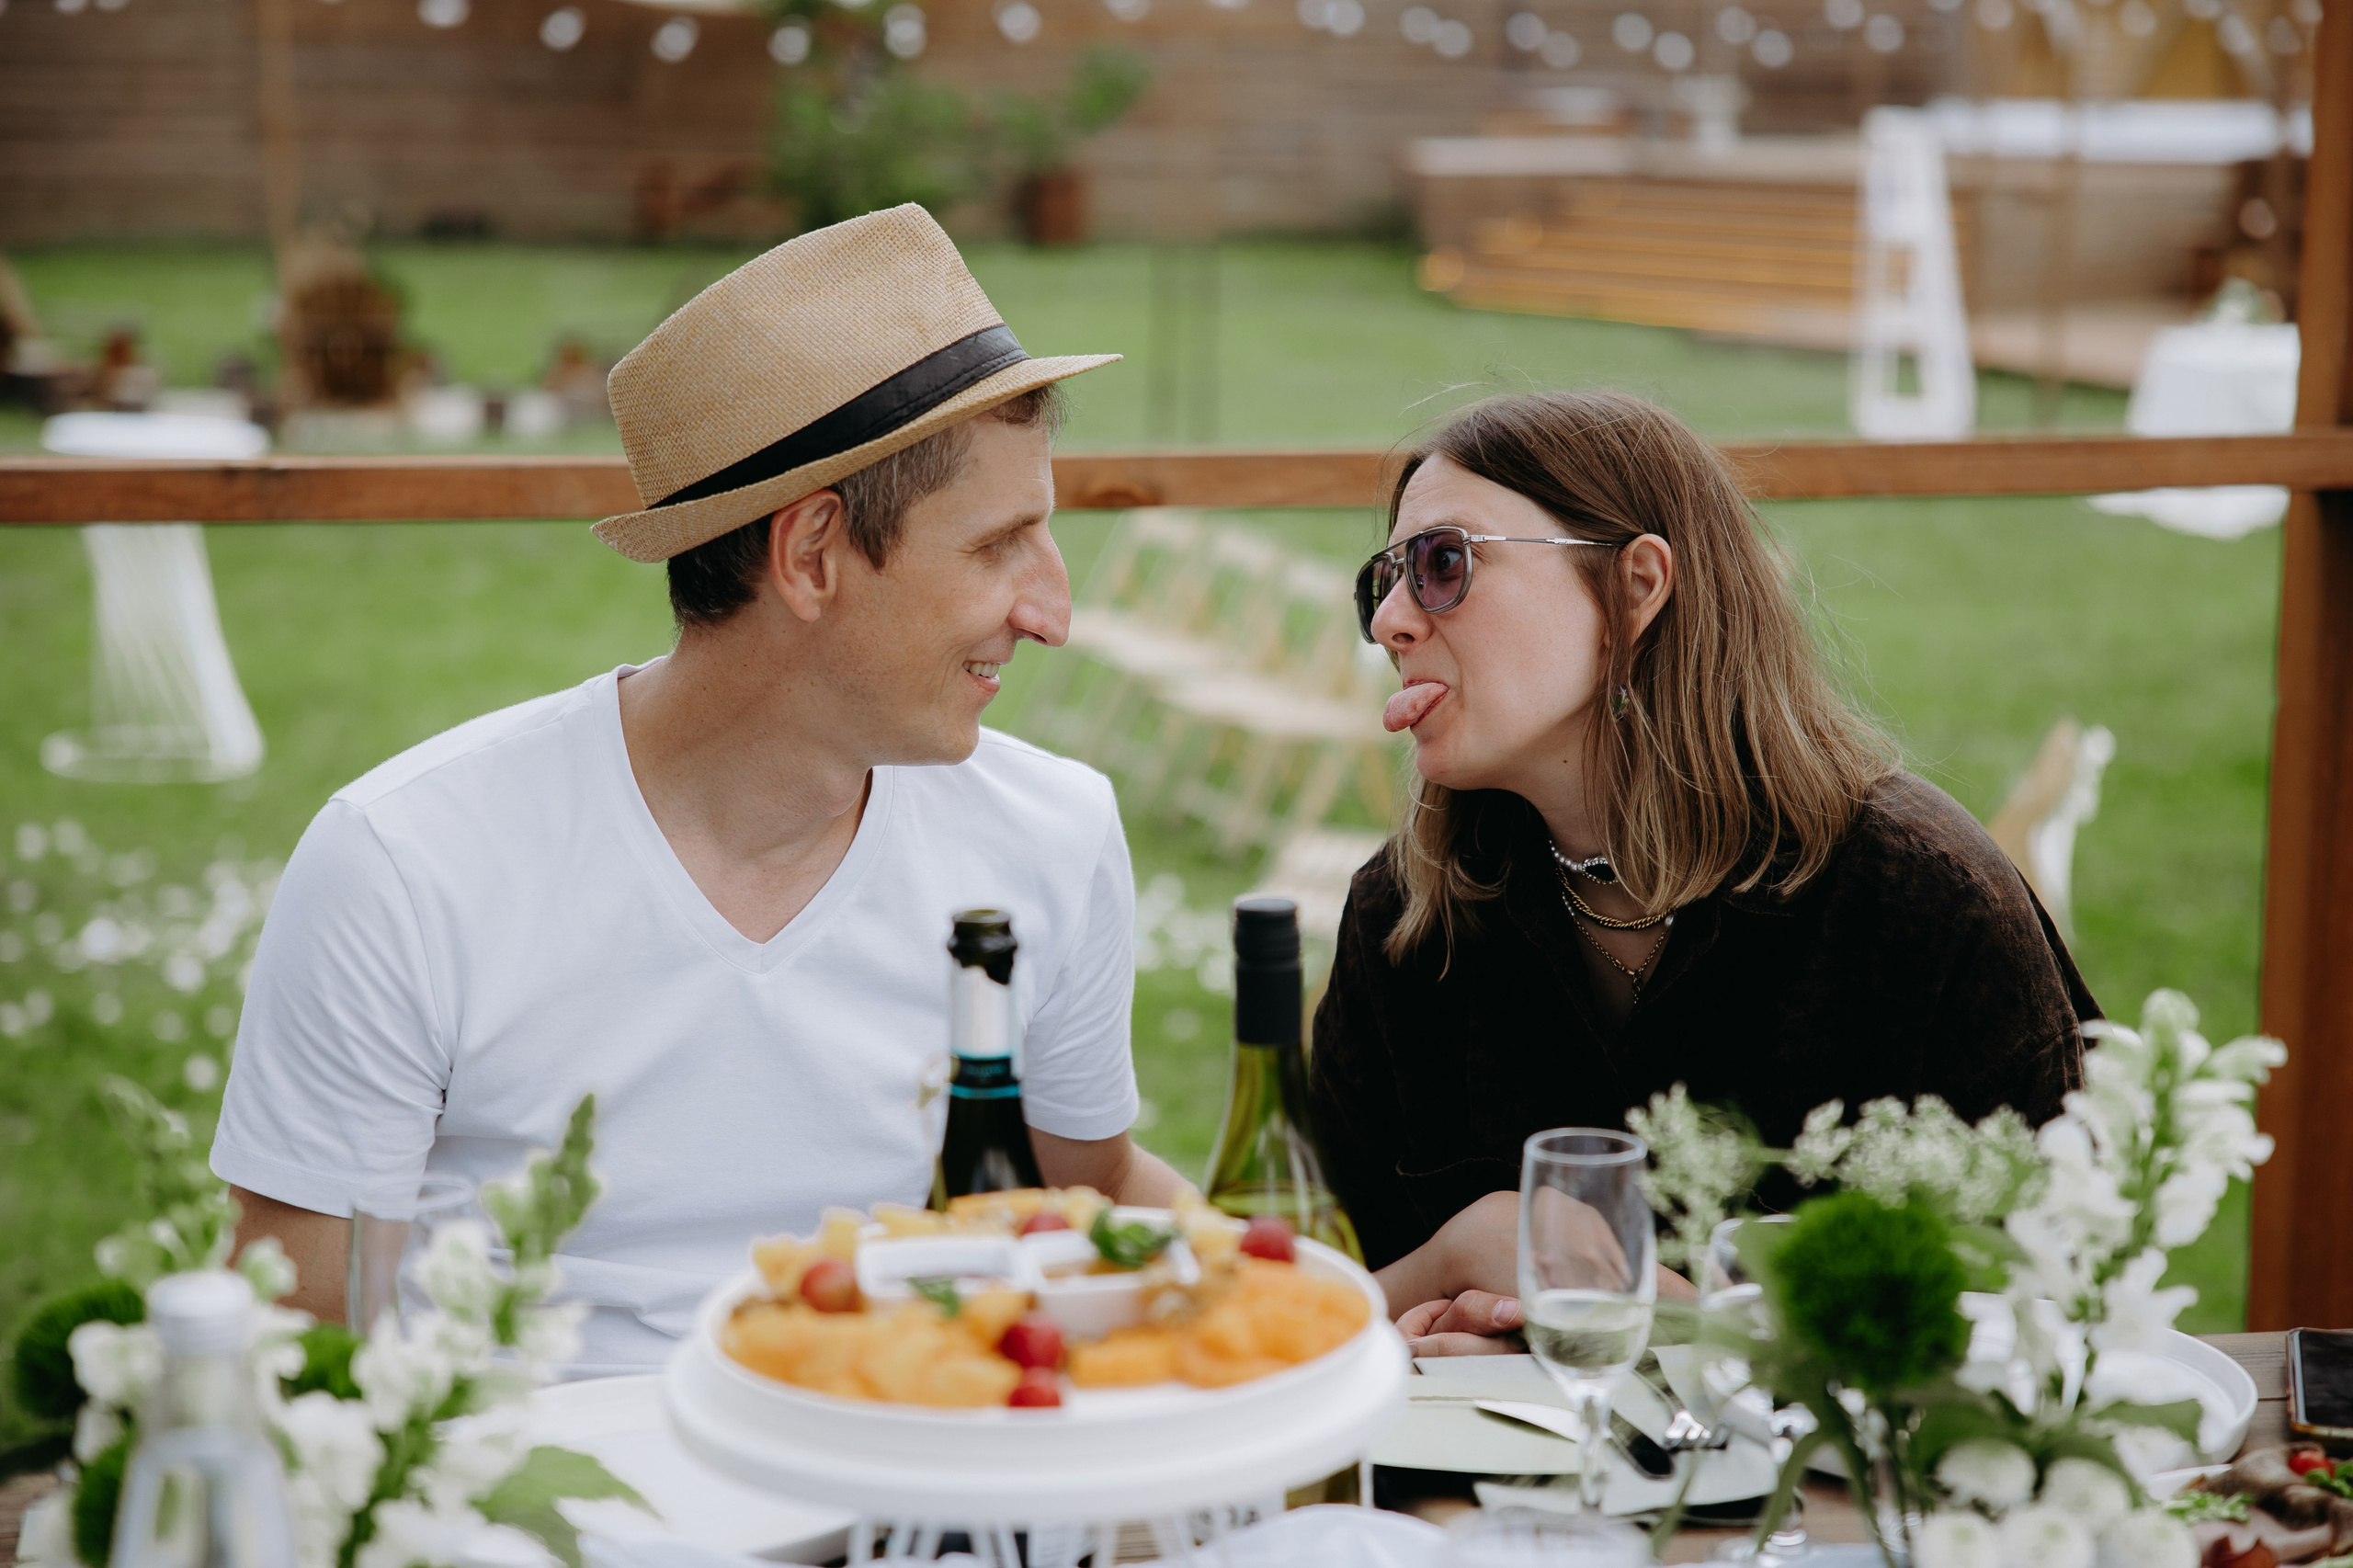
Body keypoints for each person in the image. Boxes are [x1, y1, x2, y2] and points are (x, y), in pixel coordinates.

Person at [213, 205, 1181, 1371]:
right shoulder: (406, 865)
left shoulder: (1051, 834)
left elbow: (1096, 1188)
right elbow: (295, 1335)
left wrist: (1369, 1310)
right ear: (812, 554)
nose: (1052, 611)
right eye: (997, 545)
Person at [1307, 391, 2095, 1356]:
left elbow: (2064, 1306)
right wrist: (1451, 1258)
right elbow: (1311, 1324)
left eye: (1441, 564)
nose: (1388, 621)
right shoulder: (1404, 919)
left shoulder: (1923, 904)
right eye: (1381, 581)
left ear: (1635, 588)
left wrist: (1664, 1330)